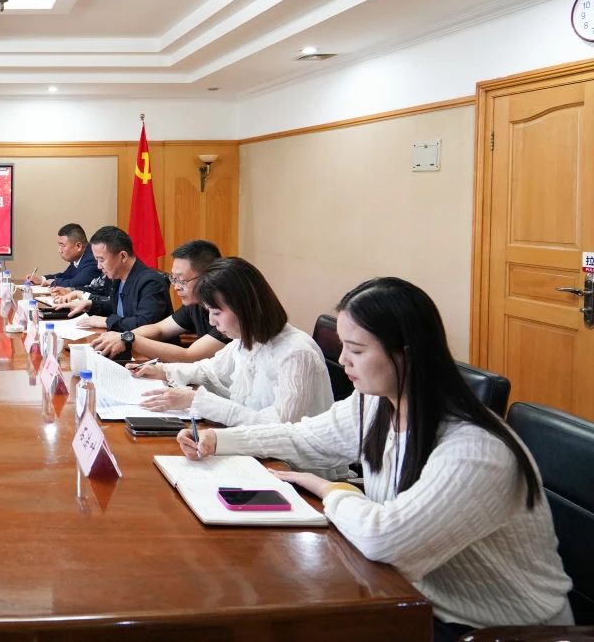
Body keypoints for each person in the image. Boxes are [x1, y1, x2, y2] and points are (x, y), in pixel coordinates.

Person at [178, 278, 573, 638]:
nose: (343, 361)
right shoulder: (376, 403)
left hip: (494, 628)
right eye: (343, 347)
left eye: (356, 350)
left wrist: (332, 490)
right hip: (409, 595)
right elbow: (302, 436)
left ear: (406, 355)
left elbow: (385, 540)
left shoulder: (476, 450)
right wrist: (217, 440)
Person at [137, 256, 333, 428]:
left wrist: (199, 401)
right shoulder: (247, 340)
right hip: (251, 447)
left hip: (287, 458)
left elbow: (281, 425)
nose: (212, 322)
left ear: (244, 307)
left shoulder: (296, 353)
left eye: (216, 313)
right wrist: (163, 371)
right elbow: (210, 370)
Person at [91, 239, 228, 363]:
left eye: (181, 280)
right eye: (174, 279)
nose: (176, 287)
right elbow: (159, 329)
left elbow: (189, 356)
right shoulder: (195, 305)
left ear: (207, 277)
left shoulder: (229, 312)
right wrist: (122, 336)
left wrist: (130, 340)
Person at [57, 225, 169, 332]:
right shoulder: (117, 276)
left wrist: (107, 321)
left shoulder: (151, 282)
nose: (98, 266)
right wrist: (90, 304)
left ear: (123, 256)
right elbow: (119, 307)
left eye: (101, 260)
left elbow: (145, 324)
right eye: (96, 260)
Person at [24, 223, 99, 289]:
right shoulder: (80, 257)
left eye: (62, 245)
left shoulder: (92, 258)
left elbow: (76, 283)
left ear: (78, 246)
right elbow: (66, 276)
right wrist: (42, 279)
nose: (59, 250)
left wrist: (53, 282)